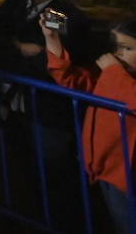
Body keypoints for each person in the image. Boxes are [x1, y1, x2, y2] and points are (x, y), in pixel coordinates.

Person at [0, 0, 91, 217]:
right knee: (23, 170)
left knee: (54, 174)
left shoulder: (60, 12)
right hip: (13, 105)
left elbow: (46, 61)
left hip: (46, 110)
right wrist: (19, 48)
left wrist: (13, 49)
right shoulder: (16, 2)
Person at [45, 14, 136, 229]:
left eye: (128, 48)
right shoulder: (116, 76)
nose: (119, 54)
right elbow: (71, 79)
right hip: (106, 169)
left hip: (127, 174)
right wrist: (52, 39)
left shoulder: (117, 76)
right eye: (116, 47)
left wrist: (113, 71)